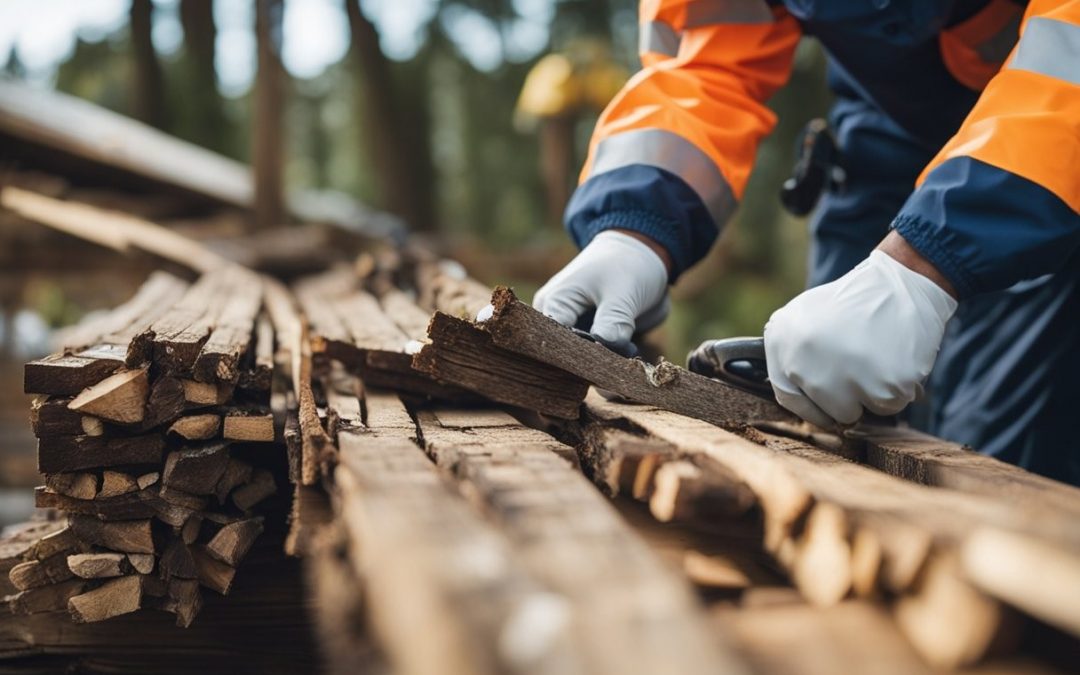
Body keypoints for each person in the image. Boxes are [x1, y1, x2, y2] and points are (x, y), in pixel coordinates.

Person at [532, 0, 1080, 484]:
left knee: (991, 448)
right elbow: (703, 63)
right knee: (826, 415)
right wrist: (634, 226)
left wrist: (929, 258)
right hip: (882, 134)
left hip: (1052, 147)